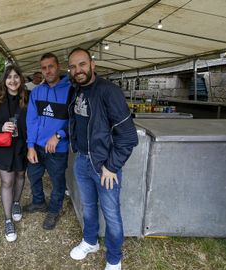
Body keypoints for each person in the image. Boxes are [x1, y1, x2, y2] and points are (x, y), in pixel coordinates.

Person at [67, 48, 138, 270]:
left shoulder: (109, 91)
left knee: (111, 213)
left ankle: (114, 259)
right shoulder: (75, 90)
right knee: (88, 206)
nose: (78, 70)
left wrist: (111, 166)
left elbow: (128, 136)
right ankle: (90, 241)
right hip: (82, 160)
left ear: (92, 64)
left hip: (104, 165)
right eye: (73, 66)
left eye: (82, 64)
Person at [25, 52, 71, 230]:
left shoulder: (71, 91)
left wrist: (59, 134)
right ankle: (39, 202)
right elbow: (32, 120)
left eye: (51, 66)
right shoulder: (37, 92)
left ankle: (54, 210)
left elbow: (75, 121)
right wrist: (30, 146)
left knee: (57, 181)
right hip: (37, 146)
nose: (47, 71)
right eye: (44, 68)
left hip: (58, 148)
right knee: (33, 176)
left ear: (58, 66)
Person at [0, 65, 28, 242]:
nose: (13, 80)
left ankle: (17, 203)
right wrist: (1, 126)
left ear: (21, 79)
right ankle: (8, 219)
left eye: (16, 76)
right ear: (4, 80)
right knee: (7, 181)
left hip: (23, 145)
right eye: (9, 77)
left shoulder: (28, 97)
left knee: (20, 175)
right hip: (3, 146)